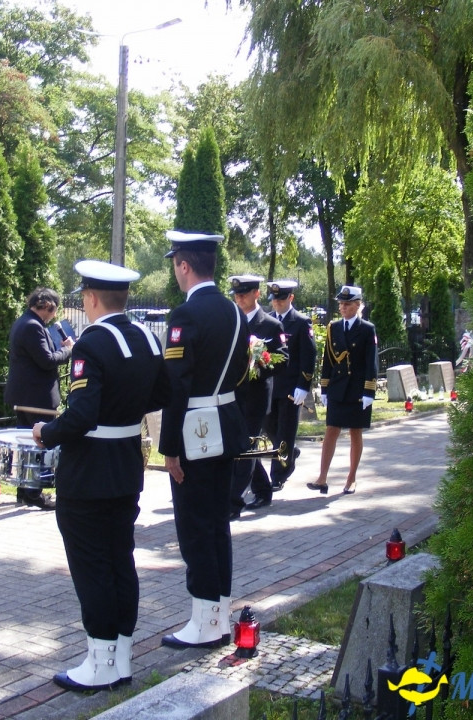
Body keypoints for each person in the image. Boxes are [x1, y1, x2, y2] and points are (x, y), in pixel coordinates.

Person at [33, 260, 170, 691]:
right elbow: (163, 394)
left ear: (91, 299)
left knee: (91, 566)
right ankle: (122, 657)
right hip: (127, 464)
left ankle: (99, 661)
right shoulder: (147, 336)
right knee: (120, 560)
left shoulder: (91, 342)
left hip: (89, 470)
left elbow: (83, 415)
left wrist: (46, 433)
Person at [159, 231, 250, 650]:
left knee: (194, 526)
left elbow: (176, 386)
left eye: (175, 263)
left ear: (183, 265)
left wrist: (169, 448)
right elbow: (241, 372)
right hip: (226, 422)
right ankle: (220, 614)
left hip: (195, 429)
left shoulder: (185, 316)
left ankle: (203, 622)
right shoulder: (236, 311)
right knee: (217, 524)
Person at [3, 287, 74, 506]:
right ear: (47, 307)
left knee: (27, 445)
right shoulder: (33, 326)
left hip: (25, 396)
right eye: (53, 310)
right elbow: (47, 361)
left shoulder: (24, 322)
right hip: (36, 399)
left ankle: (25, 491)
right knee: (38, 445)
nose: (53, 315)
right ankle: (34, 494)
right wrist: (70, 350)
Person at [227, 275, 287, 520]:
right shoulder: (231, 322)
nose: (239, 298)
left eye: (244, 293)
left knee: (246, 447)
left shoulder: (271, 325)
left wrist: (260, 364)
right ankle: (262, 488)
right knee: (241, 446)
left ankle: (232, 502)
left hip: (257, 395)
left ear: (256, 294)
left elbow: (283, 359)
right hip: (233, 395)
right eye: (237, 295)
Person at [308, 286, 378, 494]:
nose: (343, 307)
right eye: (341, 304)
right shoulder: (333, 328)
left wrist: (369, 391)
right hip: (338, 387)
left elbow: (370, 362)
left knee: (355, 432)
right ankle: (322, 478)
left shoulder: (367, 329)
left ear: (357, 305)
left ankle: (351, 478)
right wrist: (325, 388)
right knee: (331, 430)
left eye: (347, 304)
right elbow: (328, 360)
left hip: (357, 389)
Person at [262, 280, 317, 491]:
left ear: (290, 298)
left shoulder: (301, 322)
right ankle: (290, 452)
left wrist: (303, 384)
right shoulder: (267, 321)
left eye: (281, 298)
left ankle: (278, 475)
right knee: (269, 427)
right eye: (274, 299)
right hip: (271, 386)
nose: (277, 302)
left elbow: (308, 355)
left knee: (285, 432)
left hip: (291, 388)